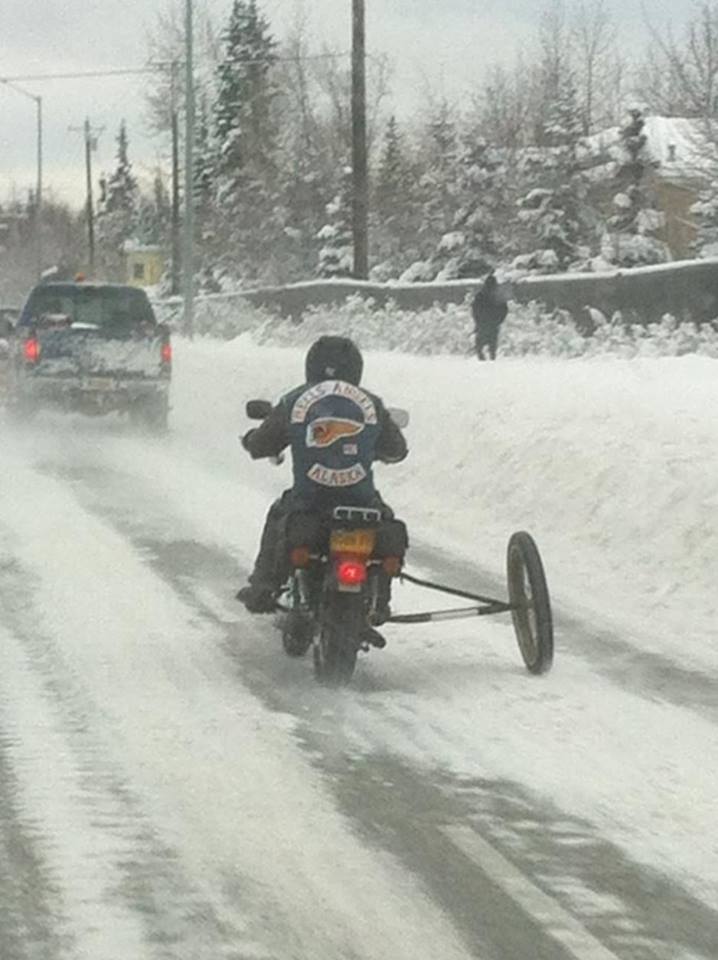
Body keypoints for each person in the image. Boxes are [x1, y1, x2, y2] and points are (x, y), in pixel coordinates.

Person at [236, 335, 409, 621]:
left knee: (279, 514)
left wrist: (252, 440)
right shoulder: (370, 403)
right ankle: (381, 599)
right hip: (361, 503)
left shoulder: (295, 400)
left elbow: (261, 445)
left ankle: (264, 586)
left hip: (309, 501)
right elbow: (397, 450)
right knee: (385, 522)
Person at [471, 271, 508, 361]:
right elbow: (504, 310)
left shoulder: (480, 295)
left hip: (482, 324)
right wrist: (498, 321)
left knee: (479, 346)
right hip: (493, 324)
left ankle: (482, 359)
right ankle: (491, 360)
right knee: (492, 346)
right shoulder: (497, 296)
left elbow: (474, 309)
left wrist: (478, 321)